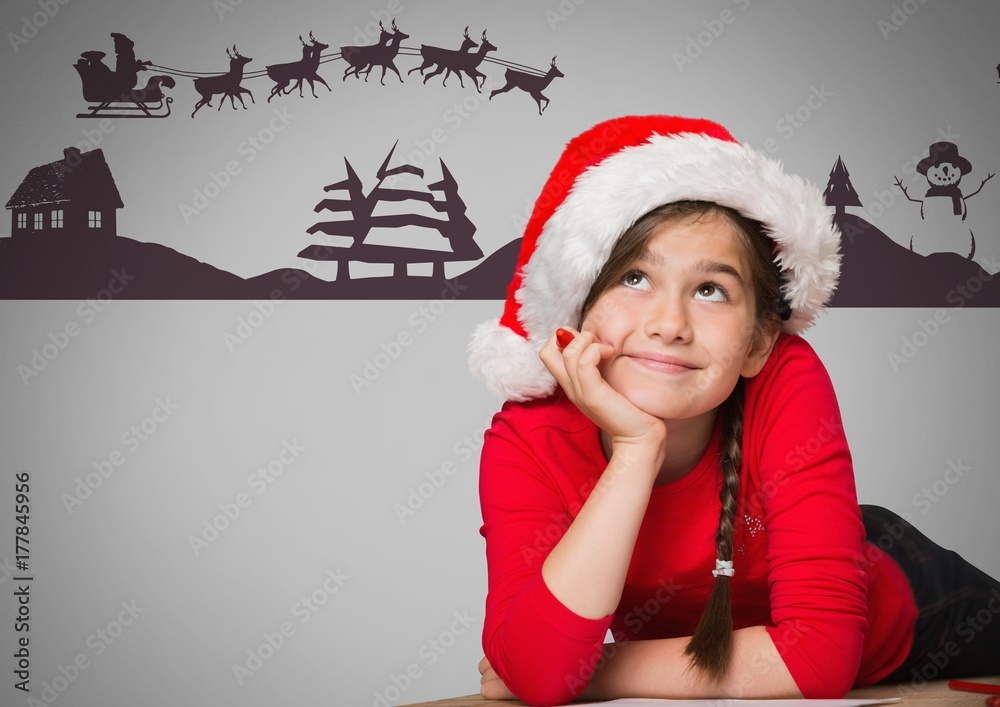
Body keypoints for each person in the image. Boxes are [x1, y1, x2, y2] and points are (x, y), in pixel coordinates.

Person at [467, 115, 1000, 705]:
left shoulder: (785, 379)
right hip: (712, 658)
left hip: (904, 605)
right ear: (576, 313)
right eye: (635, 277)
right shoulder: (527, 438)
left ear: (756, 342)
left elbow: (818, 659)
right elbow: (541, 676)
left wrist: (592, 669)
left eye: (710, 290)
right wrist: (638, 450)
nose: (669, 325)